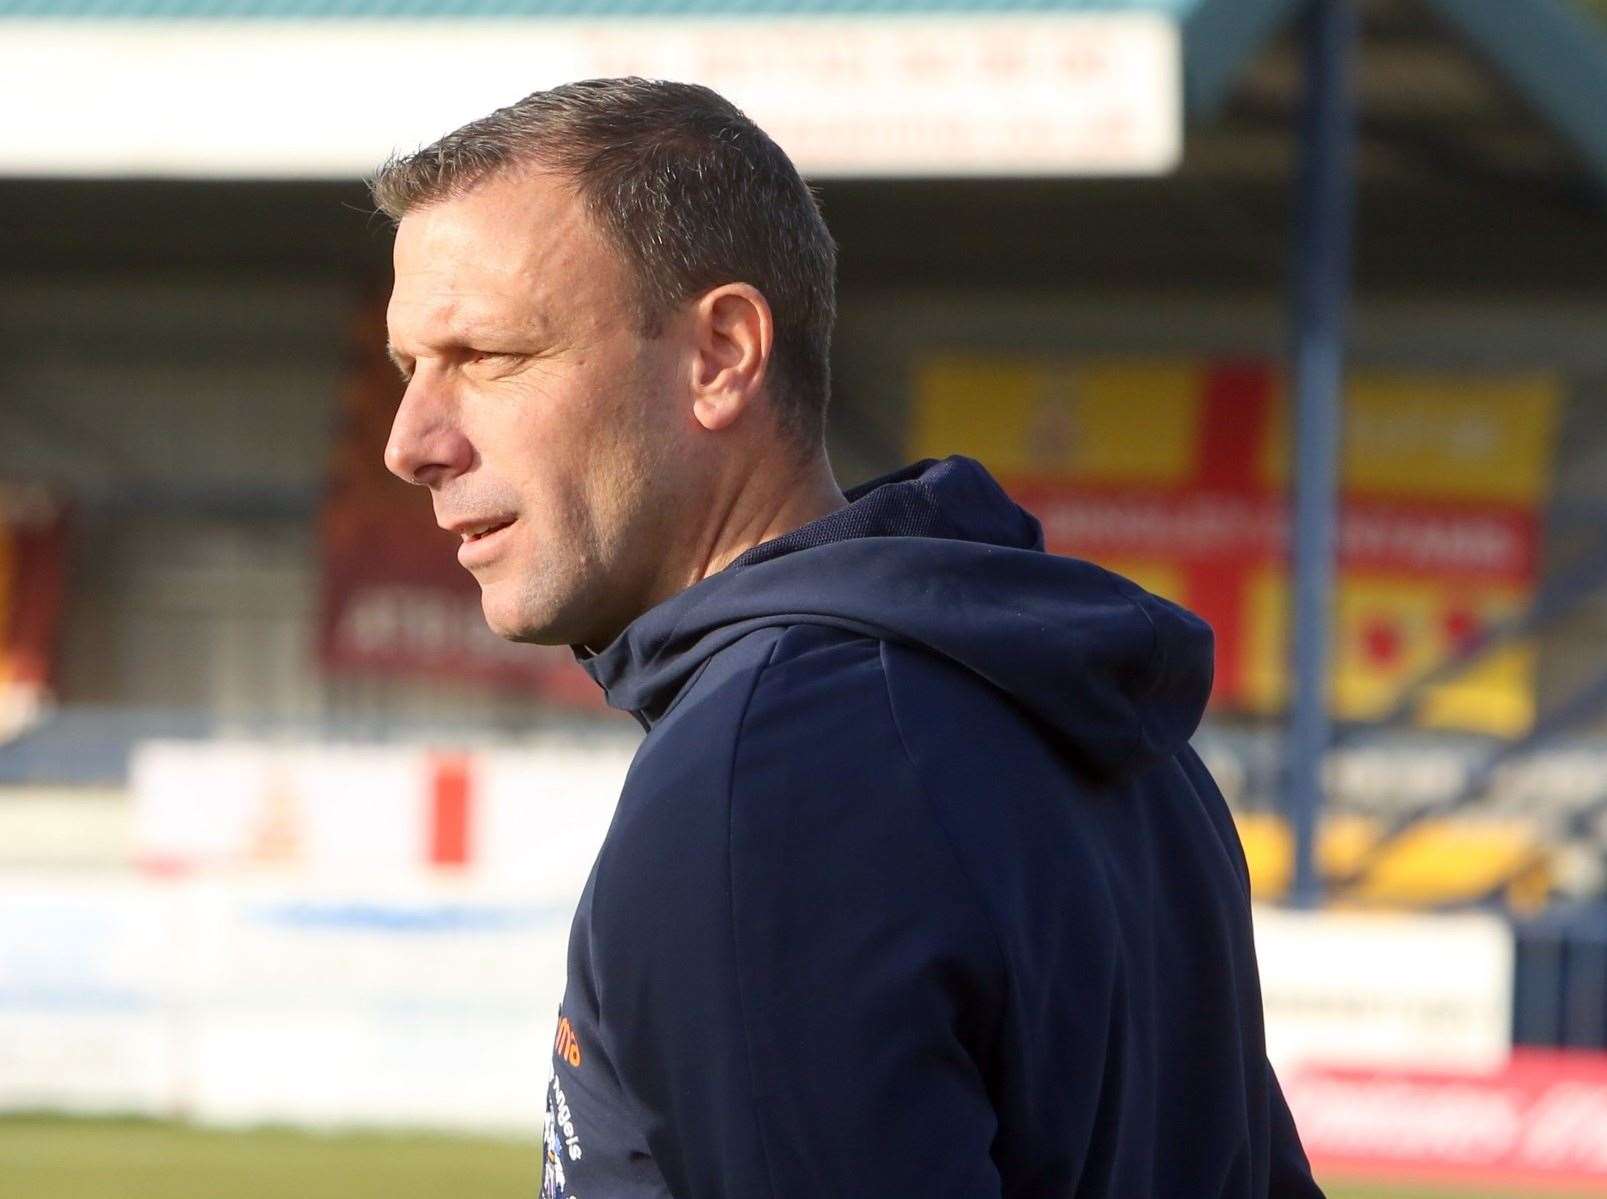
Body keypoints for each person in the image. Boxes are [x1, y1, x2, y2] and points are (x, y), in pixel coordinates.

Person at [377, 77, 1323, 1199]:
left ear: (721, 353)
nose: (412, 441)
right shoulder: (1092, 715)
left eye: (486, 355)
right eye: (406, 371)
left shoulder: (766, 777)